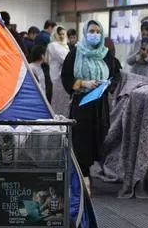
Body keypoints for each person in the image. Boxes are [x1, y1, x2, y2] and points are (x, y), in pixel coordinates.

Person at [61, 20, 122, 195]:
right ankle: (84, 176)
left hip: (100, 105)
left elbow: (116, 74)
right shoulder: (75, 53)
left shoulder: (106, 54)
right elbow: (66, 76)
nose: (94, 34)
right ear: (85, 32)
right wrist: (82, 83)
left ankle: (89, 173)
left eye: (97, 31)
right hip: (82, 104)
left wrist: (108, 84)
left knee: (98, 139)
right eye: (91, 31)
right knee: (81, 141)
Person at [47, 26, 71, 116]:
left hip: (65, 78)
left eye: (63, 34)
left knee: (65, 102)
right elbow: (64, 59)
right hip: (58, 78)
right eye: (59, 34)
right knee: (58, 102)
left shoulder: (65, 45)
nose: (61, 36)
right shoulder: (53, 45)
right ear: (55, 35)